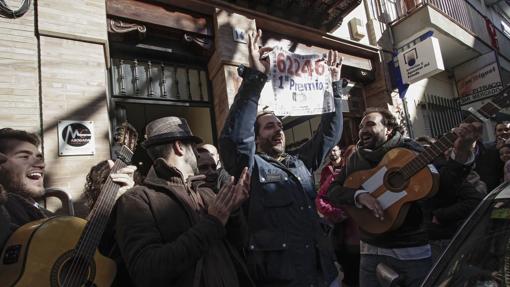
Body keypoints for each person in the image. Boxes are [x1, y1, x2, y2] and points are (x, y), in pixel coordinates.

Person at [219, 29, 345, 287]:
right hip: (284, 279)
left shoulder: (300, 162)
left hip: (323, 273)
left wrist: (334, 86)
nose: (278, 129)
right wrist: (256, 78)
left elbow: (329, 134)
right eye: (269, 126)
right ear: (255, 138)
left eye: (279, 125)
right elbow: (235, 140)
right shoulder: (251, 167)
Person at [325, 108, 477, 287]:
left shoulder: (411, 150)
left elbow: (446, 190)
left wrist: (461, 152)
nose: (362, 130)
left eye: (370, 124)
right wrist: (359, 195)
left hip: (411, 250)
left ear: (388, 129)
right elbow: (333, 191)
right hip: (369, 249)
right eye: (360, 126)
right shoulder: (355, 159)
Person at [111, 116, 254, 287]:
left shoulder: (206, 191)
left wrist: (234, 210)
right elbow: (146, 271)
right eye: (193, 147)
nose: (197, 153)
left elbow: (240, 242)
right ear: (179, 147)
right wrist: (213, 222)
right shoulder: (137, 199)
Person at [0, 128, 135, 248]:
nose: (40, 164)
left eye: (39, 157)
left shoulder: (42, 212)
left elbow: (72, 248)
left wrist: (112, 199)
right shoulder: (7, 206)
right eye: (24, 156)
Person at [317, 144, 360, 287]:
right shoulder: (335, 176)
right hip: (348, 238)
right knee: (351, 276)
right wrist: (334, 212)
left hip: (373, 239)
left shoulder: (371, 174)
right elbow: (320, 198)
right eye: (351, 159)